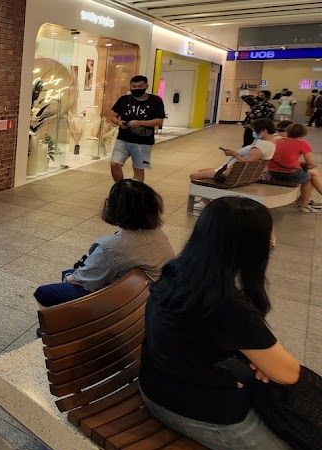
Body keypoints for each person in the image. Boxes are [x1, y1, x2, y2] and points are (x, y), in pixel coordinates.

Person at [141, 197, 322, 450]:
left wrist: (253, 360)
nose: (274, 241)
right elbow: (286, 373)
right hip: (191, 408)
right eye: (269, 234)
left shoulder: (180, 271)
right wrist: (263, 362)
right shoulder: (226, 303)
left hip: (160, 387)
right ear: (247, 246)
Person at [33, 180, 173, 307]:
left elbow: (83, 279)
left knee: (44, 292)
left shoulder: (112, 247)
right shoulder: (158, 233)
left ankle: (57, 324)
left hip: (126, 301)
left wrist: (68, 278)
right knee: (70, 274)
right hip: (150, 295)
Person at [108, 75, 166, 183]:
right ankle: (120, 187)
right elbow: (113, 116)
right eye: (134, 86)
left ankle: (135, 190)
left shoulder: (155, 101)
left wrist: (140, 123)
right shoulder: (124, 100)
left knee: (138, 168)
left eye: (140, 86)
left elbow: (159, 121)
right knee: (114, 164)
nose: (136, 88)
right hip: (123, 139)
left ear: (146, 86)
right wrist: (119, 122)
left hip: (143, 142)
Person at [189, 119, 276, 183]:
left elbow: (248, 164)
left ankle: (204, 198)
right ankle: (205, 198)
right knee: (202, 171)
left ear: (264, 131)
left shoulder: (261, 146)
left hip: (234, 173)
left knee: (194, 176)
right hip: (234, 170)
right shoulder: (270, 143)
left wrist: (234, 154)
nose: (253, 133)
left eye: (254, 131)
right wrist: (235, 153)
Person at [267, 122, 322, 213]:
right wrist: (305, 165)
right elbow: (310, 163)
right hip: (289, 173)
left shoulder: (279, 140)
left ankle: (302, 200)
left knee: (312, 173)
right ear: (304, 134)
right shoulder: (303, 143)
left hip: (272, 171)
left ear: (288, 131)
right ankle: (303, 204)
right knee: (310, 177)